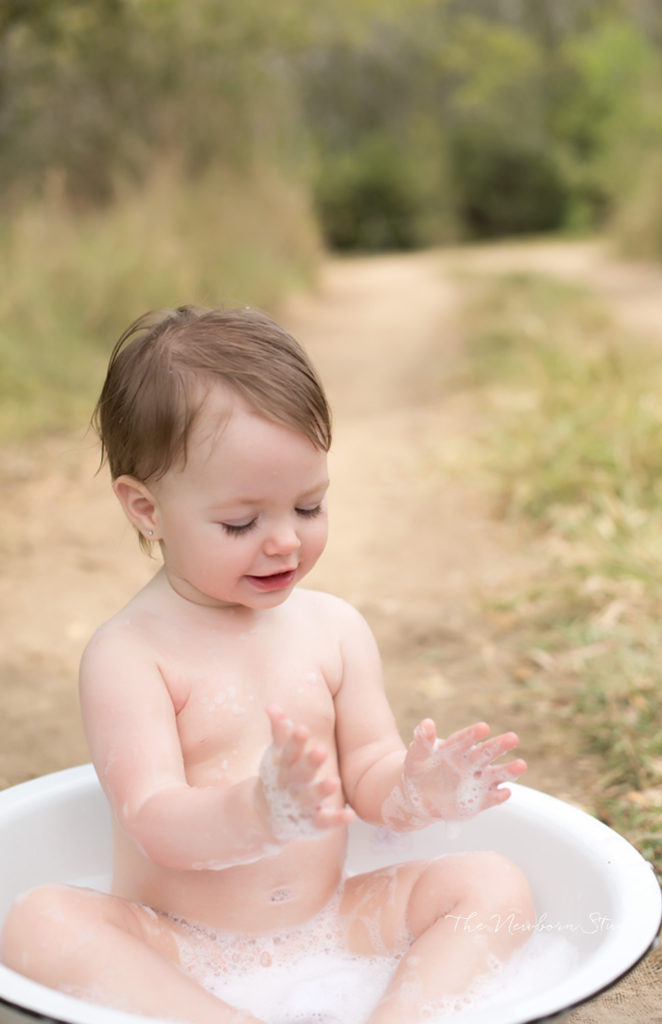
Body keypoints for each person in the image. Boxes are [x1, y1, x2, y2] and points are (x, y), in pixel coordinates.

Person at [1, 306, 533, 1023]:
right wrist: (254, 812)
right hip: (179, 945)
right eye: (241, 523)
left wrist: (415, 791)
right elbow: (153, 819)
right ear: (146, 509)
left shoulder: (334, 629)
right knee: (39, 924)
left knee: (494, 886)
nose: (284, 542)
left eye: (308, 506)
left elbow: (368, 774)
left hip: (331, 922)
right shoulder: (130, 655)